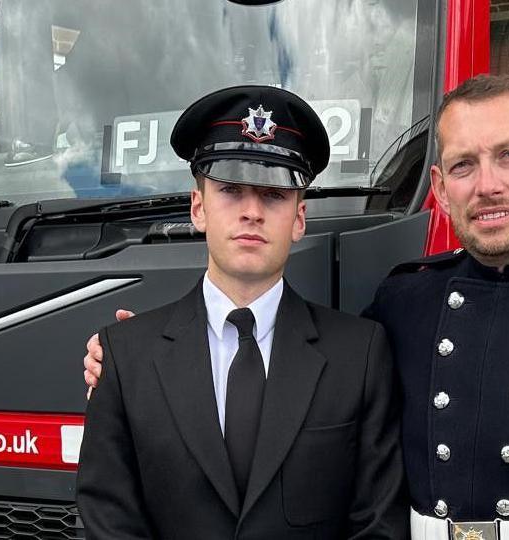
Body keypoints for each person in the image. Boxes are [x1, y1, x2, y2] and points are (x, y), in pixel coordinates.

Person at [84, 75, 509, 539]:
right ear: (441, 190)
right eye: (464, 166)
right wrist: (148, 365)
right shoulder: (405, 303)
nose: (489, 185)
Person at [75, 85, 407, 540]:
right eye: (231, 189)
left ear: (299, 218)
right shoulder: (125, 357)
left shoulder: (360, 355)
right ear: (199, 208)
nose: (252, 211)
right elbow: (108, 521)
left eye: (274, 194)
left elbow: (378, 526)